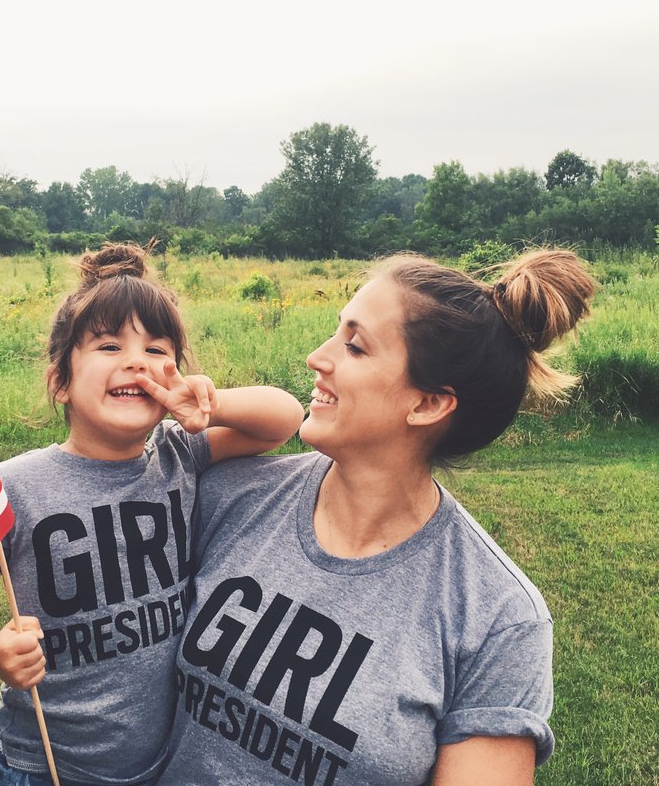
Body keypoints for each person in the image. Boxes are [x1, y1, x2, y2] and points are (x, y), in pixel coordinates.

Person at [160, 249, 595, 786]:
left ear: (429, 404)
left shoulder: (498, 616)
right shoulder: (229, 496)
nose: (317, 358)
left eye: (355, 346)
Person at [0, 242, 304, 786]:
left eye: (158, 349)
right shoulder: (14, 486)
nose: (137, 360)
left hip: (156, 761)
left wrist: (213, 403)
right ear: (60, 382)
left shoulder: (180, 452)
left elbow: (284, 418)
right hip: (42, 761)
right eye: (109, 345)